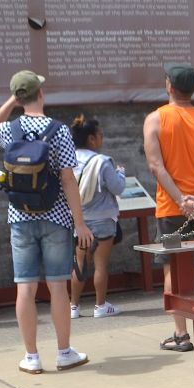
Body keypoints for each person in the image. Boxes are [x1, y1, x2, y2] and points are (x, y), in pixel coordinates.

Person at [0, 71, 93, 374]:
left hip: (19, 216)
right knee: (58, 286)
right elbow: (68, 179)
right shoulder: (58, 130)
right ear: (41, 94)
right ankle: (64, 352)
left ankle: (31, 356)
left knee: (25, 287)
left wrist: (11, 100)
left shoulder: (10, 129)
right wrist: (80, 222)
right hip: (56, 217)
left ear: (19, 99)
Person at [143, 63, 194, 352]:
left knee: (173, 270)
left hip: (171, 208)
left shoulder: (155, 120)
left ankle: (181, 335)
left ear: (169, 86)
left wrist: (182, 200)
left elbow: (157, 166)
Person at [68, 115, 127, 320]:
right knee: (100, 265)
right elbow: (117, 187)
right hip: (103, 218)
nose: (101, 139)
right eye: (100, 135)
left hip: (79, 220)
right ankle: (100, 305)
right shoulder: (102, 162)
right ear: (92, 139)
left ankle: (74, 307)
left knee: (79, 261)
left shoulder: (68, 160)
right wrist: (120, 174)